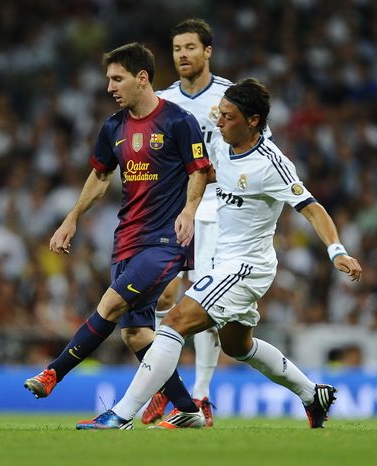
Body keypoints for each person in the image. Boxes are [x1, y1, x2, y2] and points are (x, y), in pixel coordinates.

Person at [76, 78, 362, 430]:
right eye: (219, 114)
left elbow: (313, 208)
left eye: (228, 116)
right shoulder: (222, 148)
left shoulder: (271, 163)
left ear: (253, 121)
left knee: (174, 324)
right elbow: (204, 175)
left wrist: (336, 251)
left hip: (245, 267)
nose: (219, 122)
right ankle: (311, 394)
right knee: (238, 346)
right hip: (224, 262)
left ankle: (122, 414)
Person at [23, 42, 212, 429]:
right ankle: (187, 409)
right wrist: (72, 217)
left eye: (117, 79)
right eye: (108, 79)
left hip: (165, 241)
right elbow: (100, 175)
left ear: (142, 78)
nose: (109, 87)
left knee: (109, 305)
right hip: (126, 240)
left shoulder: (178, 121)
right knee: (137, 335)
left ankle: (54, 373)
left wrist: (190, 210)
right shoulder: (113, 127)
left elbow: (199, 170)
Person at [142, 18, 272, 427]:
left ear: (207, 51)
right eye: (177, 48)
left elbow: (258, 149)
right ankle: (169, 387)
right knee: (162, 297)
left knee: (206, 302)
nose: (182, 55)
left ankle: (200, 395)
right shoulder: (163, 101)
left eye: (190, 47)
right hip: (174, 209)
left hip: (218, 210)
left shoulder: (229, 98)